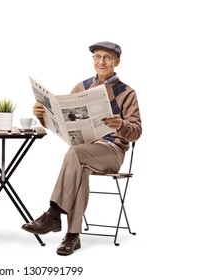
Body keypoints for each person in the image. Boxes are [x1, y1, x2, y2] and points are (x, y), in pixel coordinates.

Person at [22, 41, 142, 255]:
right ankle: (72, 236)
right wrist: (42, 116)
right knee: (80, 164)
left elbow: (137, 131)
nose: (101, 61)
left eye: (107, 57)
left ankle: (53, 213)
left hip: (112, 151)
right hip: (85, 152)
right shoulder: (81, 87)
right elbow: (64, 124)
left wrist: (121, 125)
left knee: (75, 154)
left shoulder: (127, 92)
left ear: (117, 61)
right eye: (97, 57)